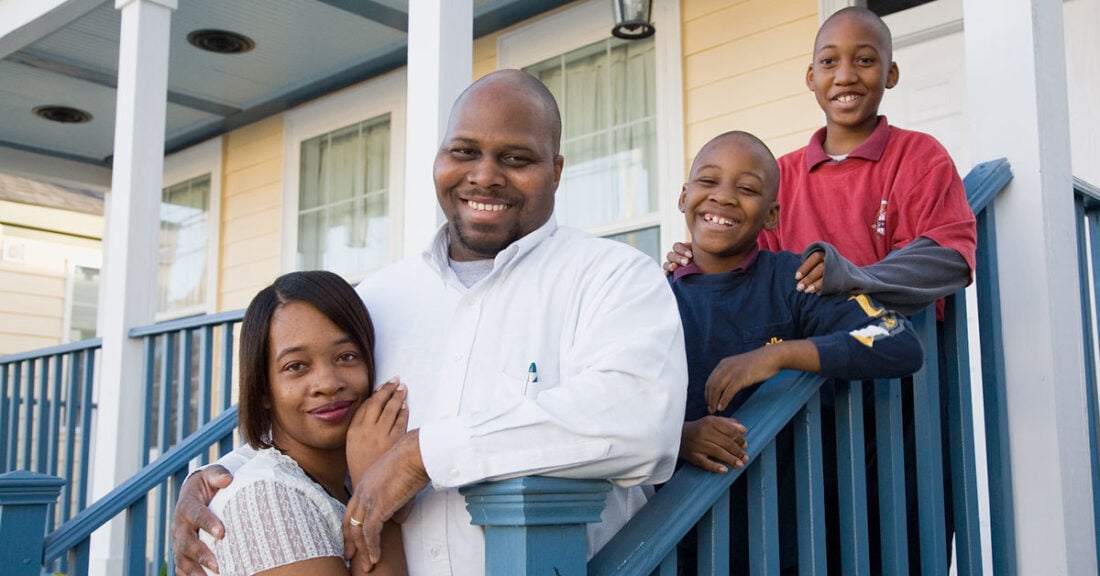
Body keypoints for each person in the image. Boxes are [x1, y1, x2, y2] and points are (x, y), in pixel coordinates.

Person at [172, 69, 688, 576]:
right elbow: (326, 410)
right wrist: (225, 476)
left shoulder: (615, 278)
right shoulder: (378, 298)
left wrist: (420, 455)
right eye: (464, 151)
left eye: (516, 158)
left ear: (556, 169)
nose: (484, 175)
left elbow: (639, 423)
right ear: (439, 158)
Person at [664, 8, 976, 572]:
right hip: (806, 406)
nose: (846, 75)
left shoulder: (918, 156)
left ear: (891, 73)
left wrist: (854, 276)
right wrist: (692, 262)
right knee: (820, 535)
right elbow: (746, 258)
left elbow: (949, 258)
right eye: (829, 61)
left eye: (865, 60)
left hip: (899, 396)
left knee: (899, 539)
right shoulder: (775, 173)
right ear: (810, 76)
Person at [672, 130, 924, 574]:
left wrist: (781, 355)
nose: (724, 198)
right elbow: (615, 410)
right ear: (684, 196)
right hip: (685, 532)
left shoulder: (795, 279)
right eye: (708, 182)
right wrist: (678, 438)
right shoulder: (651, 299)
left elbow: (897, 339)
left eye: (746, 189)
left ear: (771, 216)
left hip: (798, 530)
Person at [200, 270, 407, 575]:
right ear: (263, 390)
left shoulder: (340, 481)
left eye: (347, 356)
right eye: (296, 366)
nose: (327, 382)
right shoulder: (266, 498)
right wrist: (377, 496)